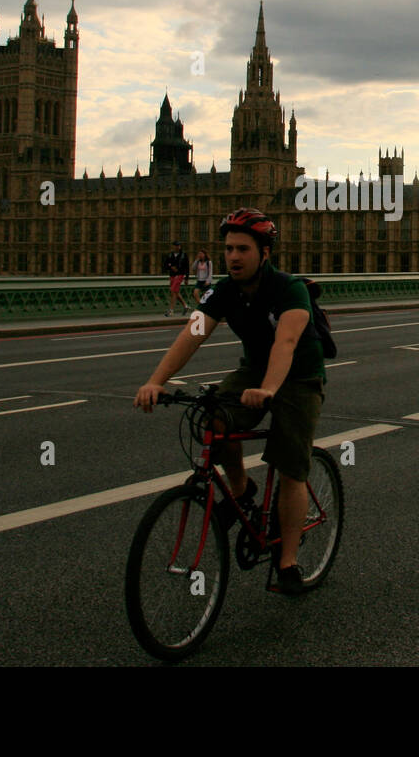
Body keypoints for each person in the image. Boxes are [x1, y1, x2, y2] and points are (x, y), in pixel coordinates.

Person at [135, 208, 325, 595]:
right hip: (255, 369)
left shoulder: (291, 289)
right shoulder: (224, 290)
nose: (233, 257)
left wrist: (270, 390)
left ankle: (287, 561)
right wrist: (155, 381)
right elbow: (193, 333)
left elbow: (286, 343)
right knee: (214, 419)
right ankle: (241, 489)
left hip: (299, 376)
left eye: (242, 249)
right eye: (228, 249)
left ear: (264, 253)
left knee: (291, 466)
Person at [163, 241, 189, 316]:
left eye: (178, 246)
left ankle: (171, 310)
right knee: (175, 292)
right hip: (172, 275)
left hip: (180, 275)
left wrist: (186, 278)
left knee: (173, 290)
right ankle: (185, 305)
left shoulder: (184, 255)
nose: (177, 247)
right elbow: (165, 265)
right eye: (175, 246)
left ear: (180, 247)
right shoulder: (170, 255)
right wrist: (171, 267)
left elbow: (187, 267)